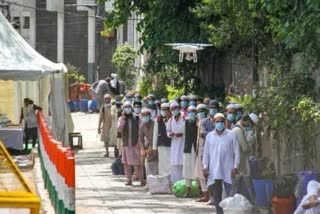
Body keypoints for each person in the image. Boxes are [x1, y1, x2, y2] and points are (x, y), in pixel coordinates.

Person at [202, 113, 240, 214]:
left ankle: (230, 212)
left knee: (230, 193)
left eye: (221, 121)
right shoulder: (210, 136)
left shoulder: (231, 135)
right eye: (217, 121)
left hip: (228, 169)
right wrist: (205, 167)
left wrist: (235, 166)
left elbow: (237, 152)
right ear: (214, 122)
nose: (219, 123)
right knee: (216, 194)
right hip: (214, 170)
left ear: (225, 122)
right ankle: (219, 212)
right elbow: (206, 153)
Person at [117, 101, 144, 186]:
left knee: (137, 163)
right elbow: (119, 129)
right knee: (126, 164)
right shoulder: (121, 119)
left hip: (135, 144)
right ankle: (129, 180)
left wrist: (139, 142)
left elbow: (140, 130)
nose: (128, 109)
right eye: (126, 107)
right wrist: (123, 119)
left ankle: (141, 179)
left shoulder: (136, 117)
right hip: (126, 145)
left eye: (129, 107)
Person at [195, 103, 211, 203]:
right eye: (199, 111)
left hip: (206, 149)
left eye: (202, 111)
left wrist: (204, 134)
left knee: (206, 173)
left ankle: (209, 195)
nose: (200, 113)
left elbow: (211, 133)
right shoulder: (199, 121)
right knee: (200, 174)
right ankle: (205, 194)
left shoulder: (208, 121)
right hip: (199, 149)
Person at [166, 101, 185, 183]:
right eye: (172, 109)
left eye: (175, 109)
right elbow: (167, 131)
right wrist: (170, 134)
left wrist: (182, 135)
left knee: (183, 163)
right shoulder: (170, 120)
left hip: (183, 143)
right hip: (174, 143)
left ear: (178, 108)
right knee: (174, 164)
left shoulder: (184, 118)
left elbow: (188, 131)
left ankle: (184, 183)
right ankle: (176, 183)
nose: (173, 110)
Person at [152, 103, 172, 176]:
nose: (163, 111)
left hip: (170, 144)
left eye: (165, 110)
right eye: (162, 109)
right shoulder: (157, 119)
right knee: (162, 164)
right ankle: (162, 178)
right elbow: (155, 133)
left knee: (170, 163)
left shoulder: (172, 119)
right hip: (161, 144)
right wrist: (154, 148)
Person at [183, 105, 198, 197]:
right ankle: (188, 190)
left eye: (193, 111)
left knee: (197, 169)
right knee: (187, 169)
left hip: (197, 148)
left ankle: (199, 190)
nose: (192, 113)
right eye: (190, 111)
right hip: (188, 148)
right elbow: (184, 135)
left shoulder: (198, 122)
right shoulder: (186, 122)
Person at [139, 108, 158, 177]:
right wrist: (143, 149)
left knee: (157, 163)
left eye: (147, 115)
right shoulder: (142, 126)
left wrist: (155, 148)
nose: (145, 116)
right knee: (147, 164)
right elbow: (140, 139)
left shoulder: (155, 124)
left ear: (150, 115)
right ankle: (149, 181)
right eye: (143, 115)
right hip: (149, 146)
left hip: (157, 145)